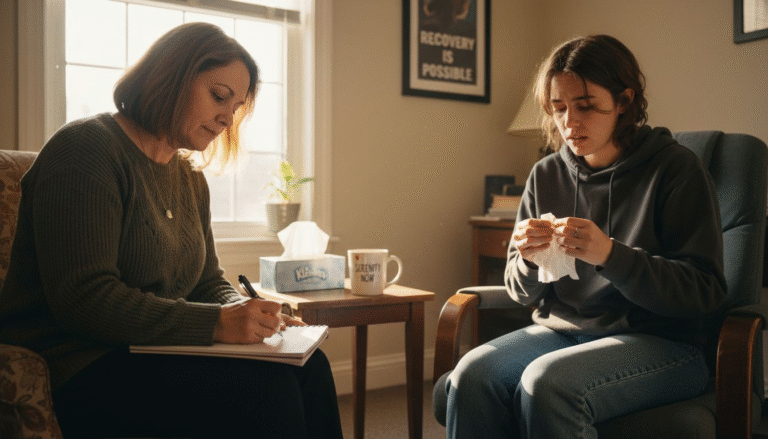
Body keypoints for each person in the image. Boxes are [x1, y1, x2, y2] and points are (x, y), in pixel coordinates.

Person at [0, 22, 343, 438]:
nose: (225, 119)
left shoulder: (188, 177)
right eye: (219, 97)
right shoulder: (85, 150)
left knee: (311, 367)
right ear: (171, 75)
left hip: (157, 350)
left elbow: (205, 281)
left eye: (234, 109)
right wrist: (217, 324)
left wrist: (250, 317)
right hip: (84, 361)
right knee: (266, 391)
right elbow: (84, 299)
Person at [442, 35, 726, 438]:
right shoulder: (546, 174)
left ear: (624, 102)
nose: (569, 122)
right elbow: (521, 292)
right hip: (562, 332)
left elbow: (705, 292)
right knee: (473, 373)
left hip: (664, 342)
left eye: (586, 106)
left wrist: (611, 255)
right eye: (558, 108)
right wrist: (526, 258)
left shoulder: (676, 169)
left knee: (549, 382)